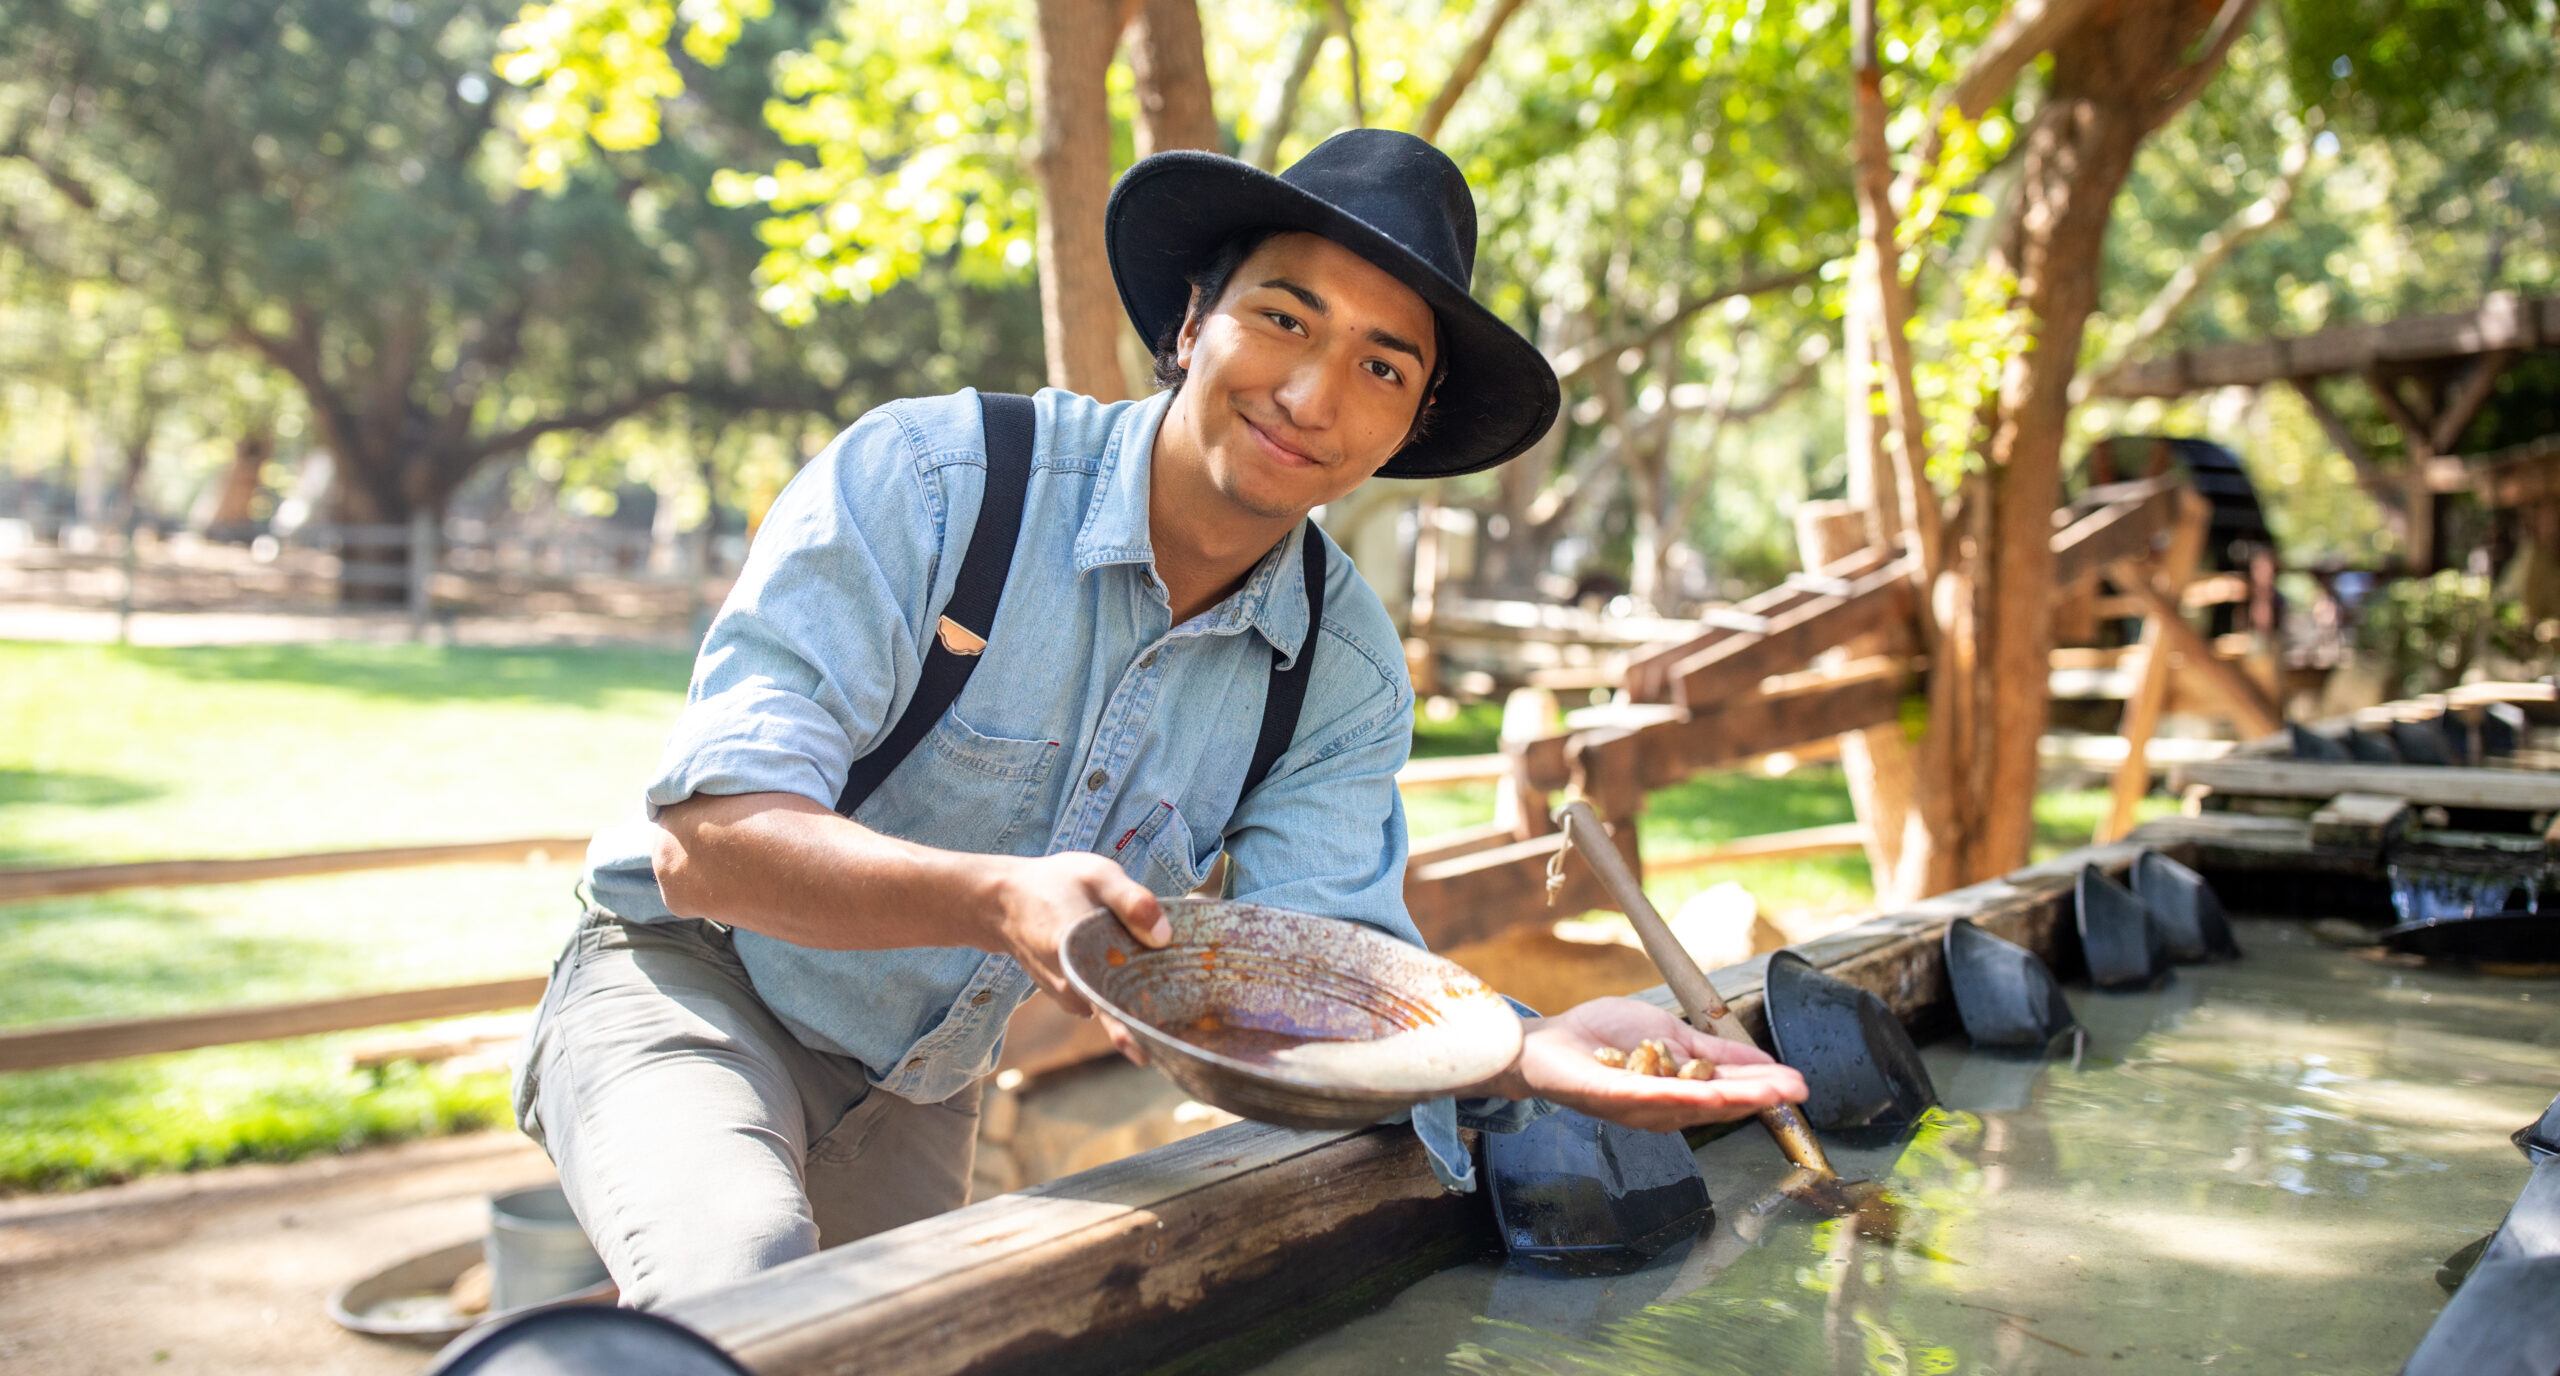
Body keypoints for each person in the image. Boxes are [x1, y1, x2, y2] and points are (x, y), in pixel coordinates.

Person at [512, 128, 1808, 1310]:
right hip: (693, 984)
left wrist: (1530, 1053)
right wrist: (996, 896)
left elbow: (1341, 965)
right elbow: (710, 841)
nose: (1310, 395)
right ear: (1193, 320)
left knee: (898, 1347)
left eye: (1379, 365)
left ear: (1412, 421)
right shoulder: (934, 484)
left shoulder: (1339, 667)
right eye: (1284, 317)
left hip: (919, 1088)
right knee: (740, 1290)